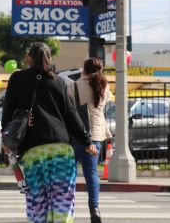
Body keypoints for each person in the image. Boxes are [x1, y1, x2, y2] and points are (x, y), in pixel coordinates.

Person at [2, 42, 98, 223]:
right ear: (49, 59)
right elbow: (72, 115)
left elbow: (7, 112)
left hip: (34, 151)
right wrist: (87, 142)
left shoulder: (17, 79)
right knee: (63, 202)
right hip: (61, 150)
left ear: (28, 58)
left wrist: (7, 141)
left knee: (37, 202)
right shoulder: (58, 82)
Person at [67, 58, 112, 223]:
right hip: (95, 137)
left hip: (76, 136)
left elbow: (68, 111)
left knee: (70, 173)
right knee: (92, 173)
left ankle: (66, 208)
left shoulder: (73, 86)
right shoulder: (105, 87)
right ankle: (94, 209)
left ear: (83, 70)